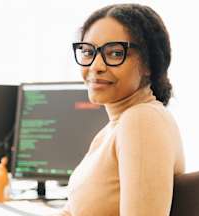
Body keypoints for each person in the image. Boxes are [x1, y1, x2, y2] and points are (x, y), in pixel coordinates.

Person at [58, 4, 185, 216]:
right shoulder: (112, 129)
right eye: (88, 51)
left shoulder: (142, 120)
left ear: (149, 64)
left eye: (115, 53)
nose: (95, 66)